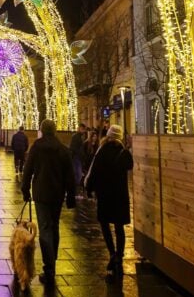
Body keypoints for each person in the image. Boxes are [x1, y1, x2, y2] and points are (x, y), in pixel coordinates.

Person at [21, 119, 77, 285]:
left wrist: (25, 190)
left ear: (42, 130)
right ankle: (53, 261)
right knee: (54, 227)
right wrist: (71, 195)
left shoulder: (37, 147)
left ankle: (49, 267)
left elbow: (28, 169)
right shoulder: (63, 149)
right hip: (57, 194)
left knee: (45, 228)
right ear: (55, 131)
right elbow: (70, 175)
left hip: (41, 193)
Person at [85, 125, 134, 279]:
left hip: (105, 194)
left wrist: (88, 188)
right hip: (119, 195)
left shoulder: (102, 151)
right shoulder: (123, 152)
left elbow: (94, 171)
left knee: (105, 225)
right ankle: (119, 256)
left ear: (108, 135)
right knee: (119, 227)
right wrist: (127, 148)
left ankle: (112, 254)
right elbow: (130, 166)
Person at [69, 123, 88, 195]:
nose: (84, 131)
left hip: (78, 158)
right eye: (82, 129)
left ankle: (76, 191)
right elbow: (74, 148)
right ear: (79, 128)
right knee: (78, 174)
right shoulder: (76, 137)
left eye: (84, 129)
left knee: (78, 174)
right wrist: (80, 154)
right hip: (76, 158)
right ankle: (76, 191)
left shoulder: (79, 137)